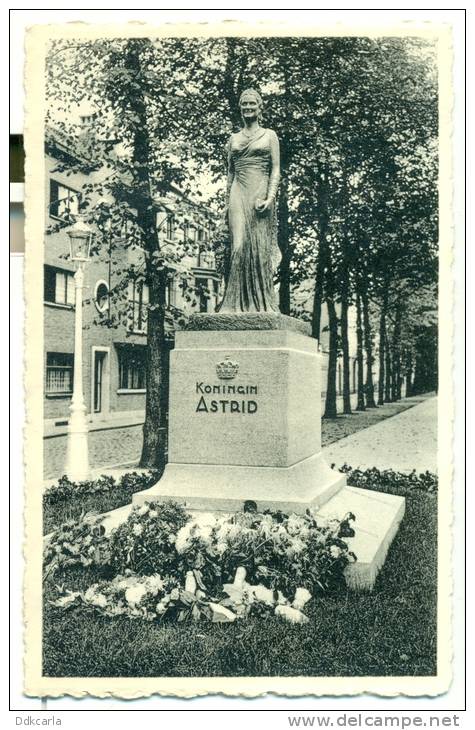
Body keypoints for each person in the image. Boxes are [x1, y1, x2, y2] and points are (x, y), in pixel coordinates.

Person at [218, 88, 281, 313]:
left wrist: (270, 197)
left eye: (252, 104)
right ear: (240, 108)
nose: (248, 108)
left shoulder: (270, 135)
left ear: (259, 107)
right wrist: (226, 204)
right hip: (238, 190)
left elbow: (276, 170)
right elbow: (230, 173)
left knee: (258, 249)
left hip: (260, 193)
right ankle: (232, 304)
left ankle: (260, 303)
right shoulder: (233, 139)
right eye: (244, 104)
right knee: (238, 246)